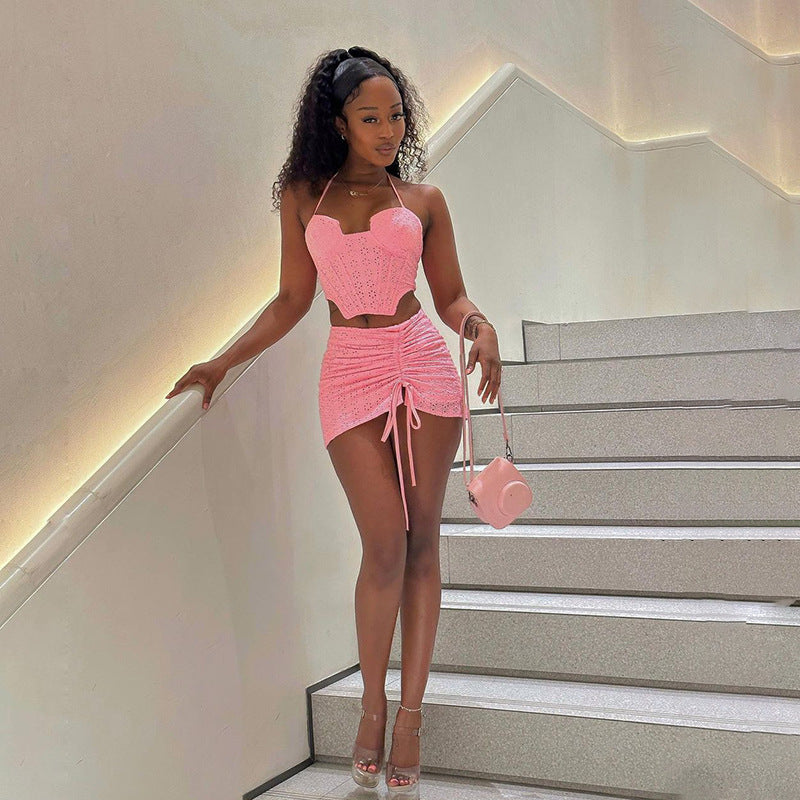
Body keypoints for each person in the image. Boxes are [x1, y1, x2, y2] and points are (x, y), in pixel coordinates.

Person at [165, 45, 501, 798]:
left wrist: (478, 326)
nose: (388, 131)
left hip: (422, 361)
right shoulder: (303, 197)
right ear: (338, 123)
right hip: (350, 370)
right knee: (382, 545)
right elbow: (292, 300)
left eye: (396, 116)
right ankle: (371, 708)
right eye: (370, 118)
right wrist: (222, 362)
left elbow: (450, 296)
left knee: (422, 542)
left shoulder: (424, 200)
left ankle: (410, 717)